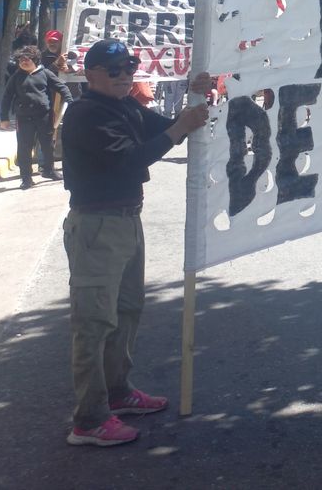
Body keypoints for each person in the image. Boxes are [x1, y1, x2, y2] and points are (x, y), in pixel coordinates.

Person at [61, 40, 210, 447]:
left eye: (129, 67)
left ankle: (117, 392)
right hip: (96, 226)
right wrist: (181, 127)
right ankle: (89, 420)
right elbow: (132, 157)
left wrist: (197, 92)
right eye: (114, 70)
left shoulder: (123, 105)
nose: (125, 75)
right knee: (94, 323)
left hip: (126, 220)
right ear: (90, 74)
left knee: (126, 311)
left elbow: (164, 125)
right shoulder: (86, 113)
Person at [0, 45, 71, 188]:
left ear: (35, 60)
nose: (24, 62)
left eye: (27, 59)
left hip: (44, 116)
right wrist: (4, 118)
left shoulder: (45, 73)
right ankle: (26, 178)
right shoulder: (16, 77)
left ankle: (49, 170)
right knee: (24, 148)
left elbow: (62, 87)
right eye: (21, 60)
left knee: (47, 145)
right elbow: (6, 98)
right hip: (24, 118)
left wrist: (69, 101)